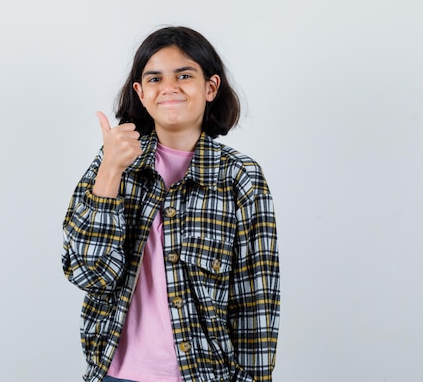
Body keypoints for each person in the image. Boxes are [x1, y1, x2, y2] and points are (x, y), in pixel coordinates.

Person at [62, 26, 280, 382]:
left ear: (210, 87)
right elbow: (91, 273)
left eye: (184, 75)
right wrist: (112, 168)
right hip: (115, 374)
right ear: (141, 93)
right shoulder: (112, 164)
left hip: (205, 375)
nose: (169, 88)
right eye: (155, 78)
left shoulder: (241, 176)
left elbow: (256, 301)